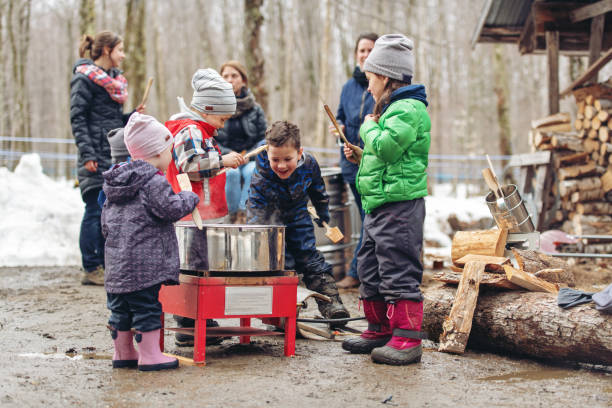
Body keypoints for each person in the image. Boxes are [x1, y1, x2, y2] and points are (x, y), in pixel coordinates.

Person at [340, 34, 430, 365]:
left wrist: (366, 129)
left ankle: (407, 338)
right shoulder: (393, 109)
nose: (367, 87)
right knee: (370, 266)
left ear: (387, 77)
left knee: (398, 267)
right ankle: (379, 328)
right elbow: (387, 156)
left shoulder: (408, 108)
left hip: (400, 206)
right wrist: (362, 155)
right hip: (379, 205)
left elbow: (390, 147)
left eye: (371, 79)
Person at [101, 112, 199, 371]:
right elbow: (169, 209)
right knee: (147, 308)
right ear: (156, 153)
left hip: (116, 265)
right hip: (145, 265)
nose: (171, 157)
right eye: (169, 151)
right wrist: (188, 197)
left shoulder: (117, 182)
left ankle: (123, 353)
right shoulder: (152, 181)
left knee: (120, 309)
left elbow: (104, 222)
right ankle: (150, 355)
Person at [164, 68, 246, 346]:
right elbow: (190, 165)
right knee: (193, 269)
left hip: (198, 213)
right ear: (209, 109)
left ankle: (200, 320)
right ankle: (188, 324)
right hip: (189, 213)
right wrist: (222, 161)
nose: (223, 125)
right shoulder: (190, 130)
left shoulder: (200, 131)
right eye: (222, 117)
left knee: (200, 267)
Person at [247, 121, 349, 320]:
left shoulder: (309, 164)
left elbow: (318, 190)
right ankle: (281, 312)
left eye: (288, 158)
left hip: (298, 215)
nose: (282, 165)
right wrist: (259, 233)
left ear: (299, 152)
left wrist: (322, 213)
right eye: (275, 159)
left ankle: (332, 305)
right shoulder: (261, 174)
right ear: (267, 152)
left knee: (309, 257)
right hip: (269, 222)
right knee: (281, 263)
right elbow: (255, 207)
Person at [70, 31, 143, 286]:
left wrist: (132, 115)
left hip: (111, 153)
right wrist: (87, 154)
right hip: (93, 155)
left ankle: (104, 263)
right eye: (120, 50)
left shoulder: (114, 83)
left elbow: (112, 122)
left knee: (108, 210)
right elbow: (78, 119)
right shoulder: (84, 80)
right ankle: (91, 267)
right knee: (94, 208)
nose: (123, 55)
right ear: (106, 51)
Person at [332, 32, 378, 289]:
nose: (365, 54)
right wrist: (338, 126)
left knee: (369, 219)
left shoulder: (383, 85)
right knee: (365, 219)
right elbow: (340, 115)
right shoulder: (348, 87)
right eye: (362, 50)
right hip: (350, 164)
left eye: (370, 50)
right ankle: (362, 272)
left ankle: (358, 273)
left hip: (373, 162)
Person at [216, 61, 267, 224]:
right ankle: (231, 215)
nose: (230, 80)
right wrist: (228, 155)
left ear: (243, 80)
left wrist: (249, 156)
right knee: (231, 174)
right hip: (225, 158)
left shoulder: (255, 108)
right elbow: (211, 139)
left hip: (249, 157)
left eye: (234, 76)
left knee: (251, 171)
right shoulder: (215, 108)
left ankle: (243, 214)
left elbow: (264, 138)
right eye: (225, 76)